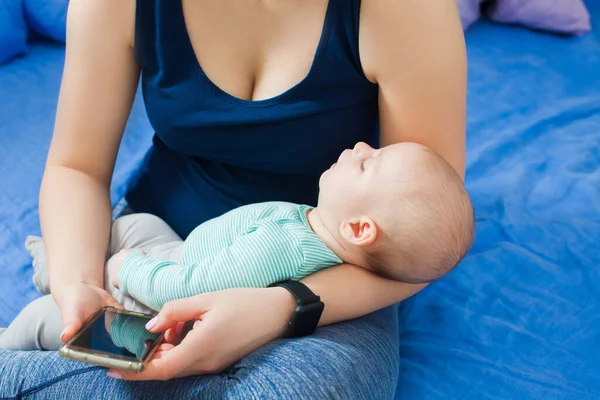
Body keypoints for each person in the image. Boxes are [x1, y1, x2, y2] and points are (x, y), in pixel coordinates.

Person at [0, 0, 467, 398]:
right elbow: (76, 168)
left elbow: (424, 246)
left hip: (327, 279)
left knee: (312, 387)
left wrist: (282, 308)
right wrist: (79, 282)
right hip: (158, 241)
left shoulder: (404, 10)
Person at [0, 142, 474, 351]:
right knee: (138, 222)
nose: (362, 147)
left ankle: (9, 346)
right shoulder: (320, 223)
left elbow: (186, 290)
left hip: (162, 293)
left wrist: (127, 271)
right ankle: (59, 269)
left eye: (369, 164)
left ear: (359, 230)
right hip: (185, 249)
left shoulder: (281, 248)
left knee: (45, 320)